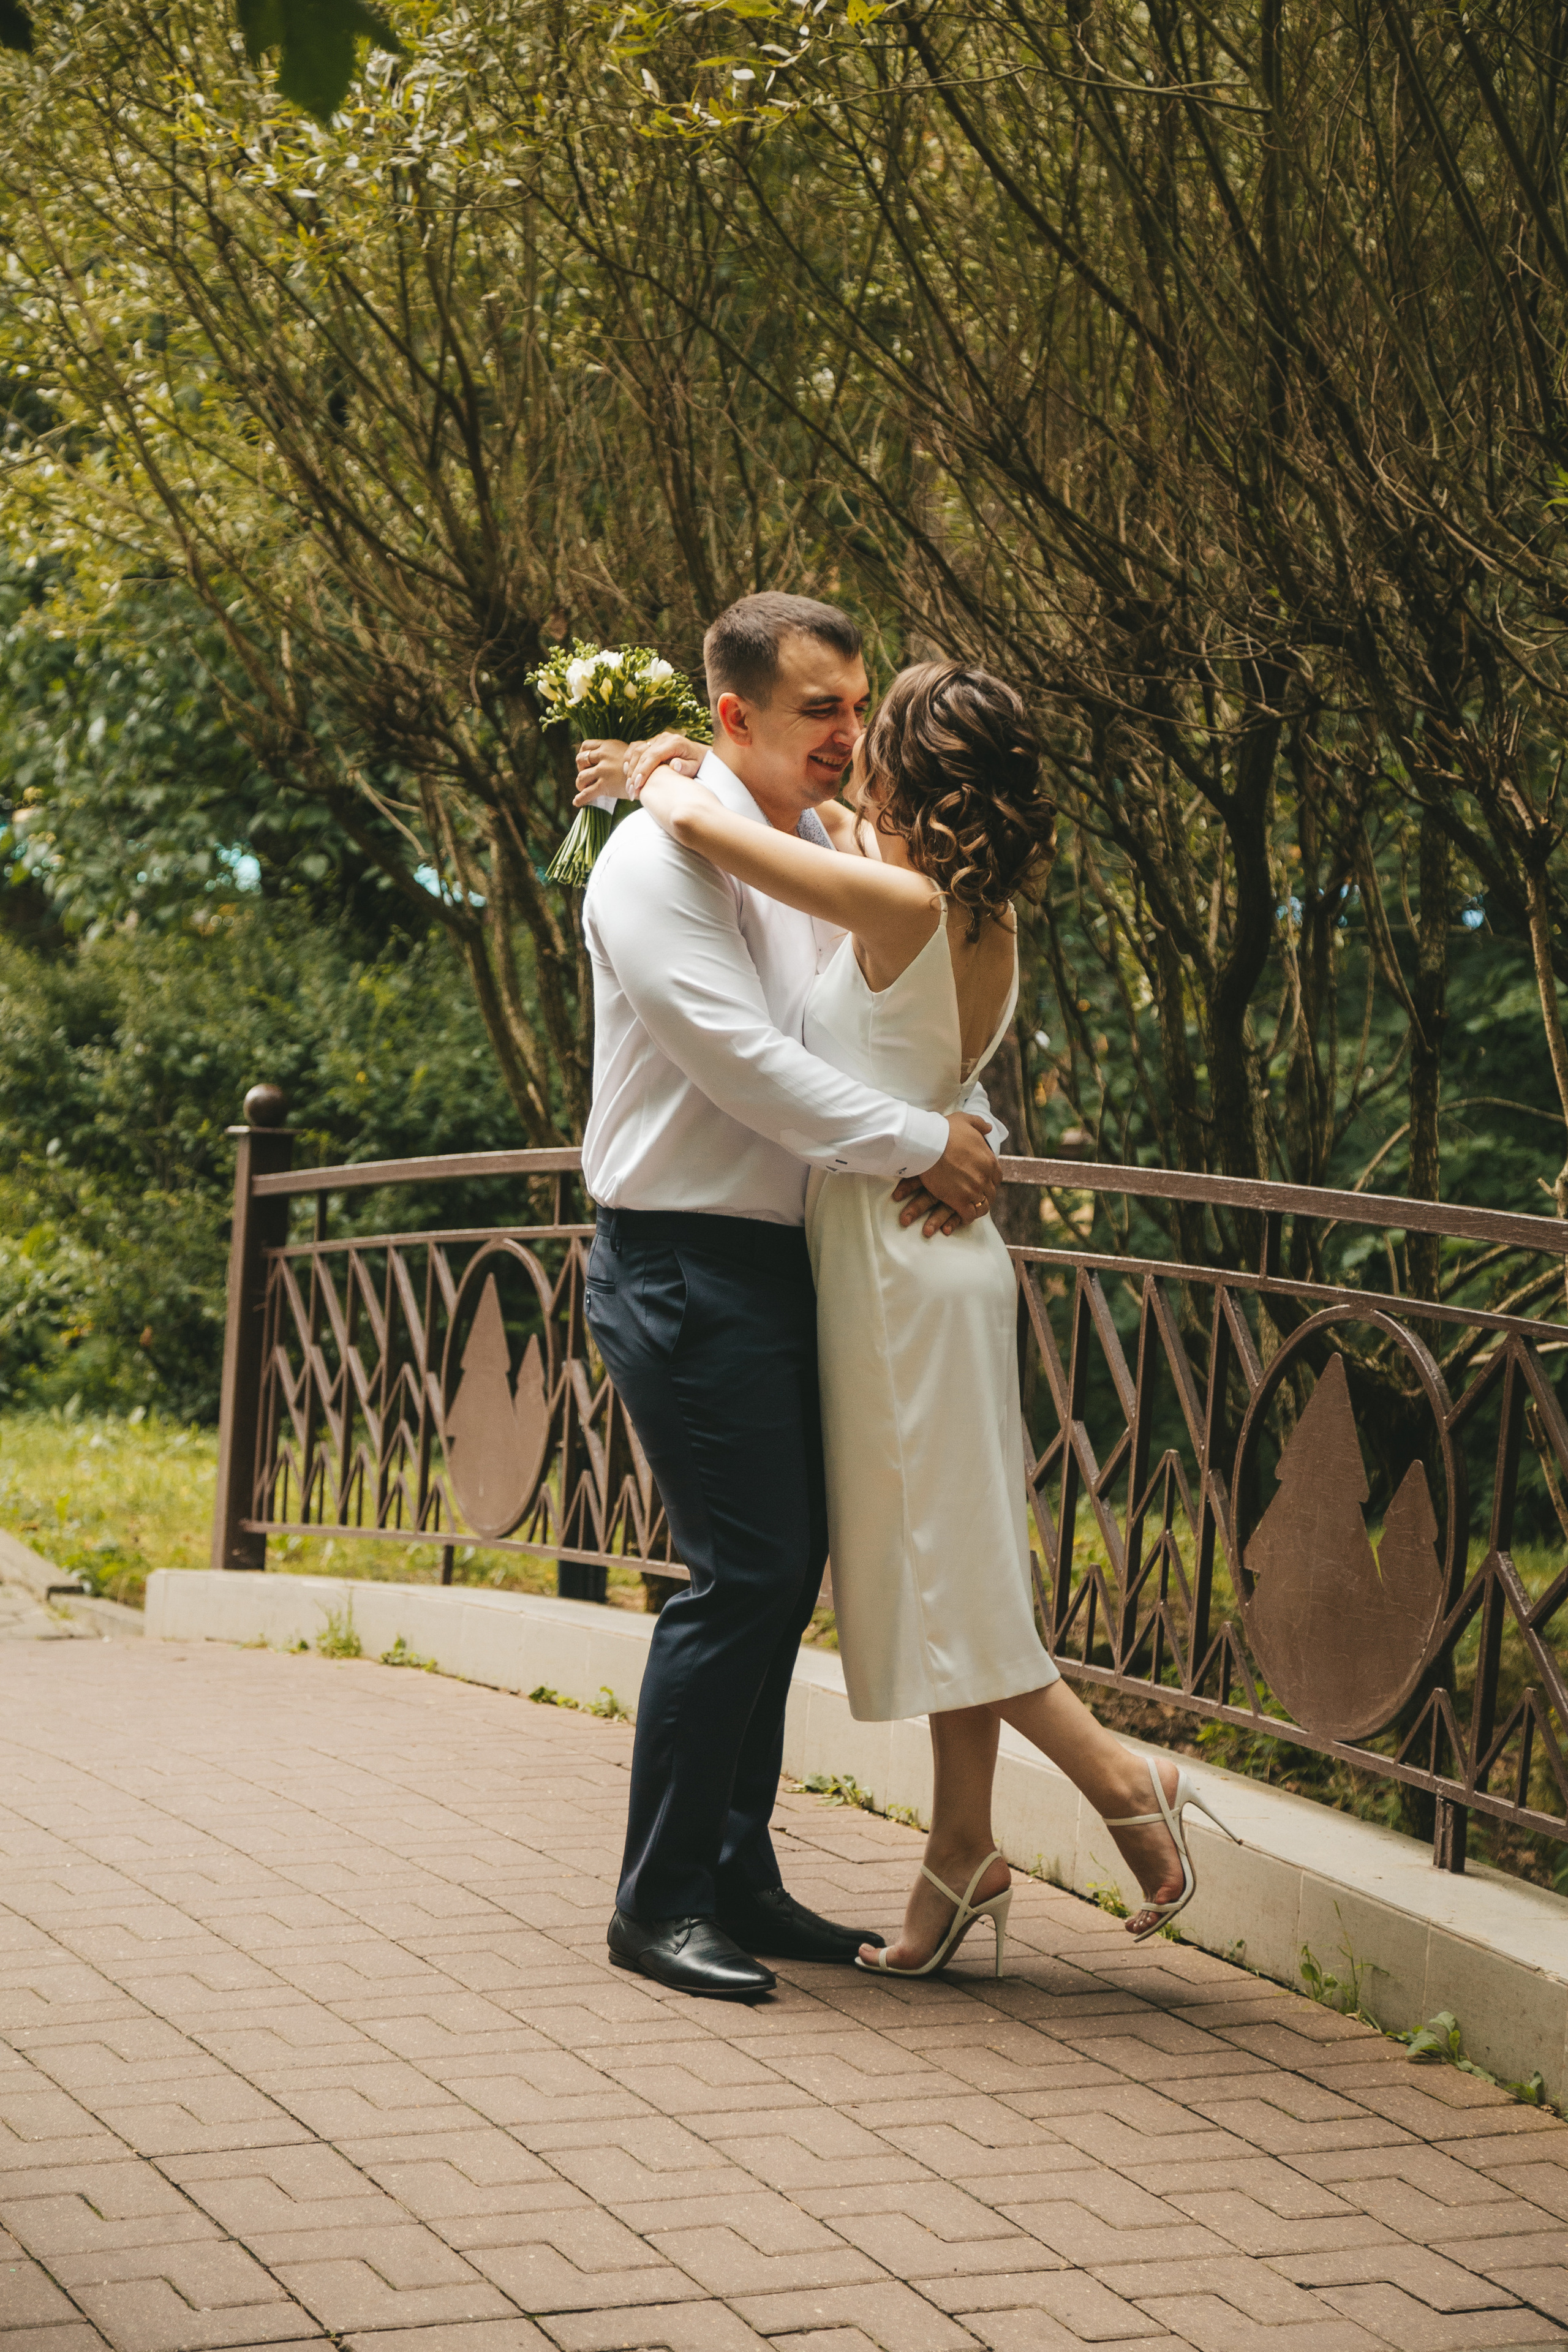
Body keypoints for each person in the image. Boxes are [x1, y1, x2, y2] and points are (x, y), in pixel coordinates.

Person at [625, 660, 1239, 1977]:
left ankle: (1127, 1784)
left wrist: (656, 771)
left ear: (904, 770)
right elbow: (909, 1028)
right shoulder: (973, 908)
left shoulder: (890, 898)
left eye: (867, 735)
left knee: (934, 1578)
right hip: (944, 1259)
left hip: (893, 1277)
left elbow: (703, 830)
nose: (845, 755)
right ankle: (957, 1854)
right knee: (958, 1554)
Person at [576, 593, 1006, 2000]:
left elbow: (893, 1029)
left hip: (791, 1264)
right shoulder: (654, 866)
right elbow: (747, 1064)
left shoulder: (819, 848)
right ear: (734, 716)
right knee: (742, 1575)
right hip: (680, 1259)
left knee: (780, 1577)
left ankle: (736, 1876)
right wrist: (916, 1147)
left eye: (854, 703)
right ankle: (657, 1903)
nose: (846, 733)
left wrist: (960, 1127)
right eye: (818, 708)